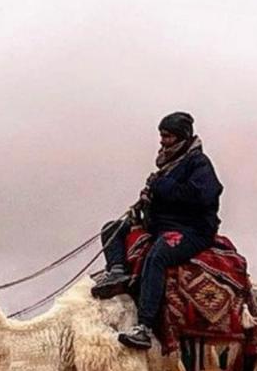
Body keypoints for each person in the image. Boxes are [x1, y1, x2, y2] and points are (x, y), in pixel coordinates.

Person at [92, 112, 223, 350]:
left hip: (191, 230)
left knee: (157, 256)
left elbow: (203, 196)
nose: (163, 141)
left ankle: (144, 327)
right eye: (162, 136)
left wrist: (160, 186)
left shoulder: (198, 164)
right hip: (162, 226)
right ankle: (118, 271)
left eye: (168, 136)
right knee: (112, 229)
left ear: (182, 137)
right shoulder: (168, 164)